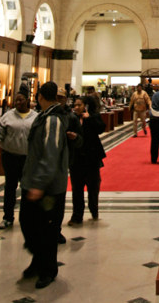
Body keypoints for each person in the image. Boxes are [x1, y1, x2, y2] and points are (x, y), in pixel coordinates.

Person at [20, 81, 69, 290]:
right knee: (28, 224)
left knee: (46, 229)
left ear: (41, 97)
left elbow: (51, 153)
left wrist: (40, 183)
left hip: (48, 187)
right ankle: (38, 260)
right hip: (33, 181)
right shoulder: (43, 117)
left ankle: (48, 269)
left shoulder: (53, 121)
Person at [0, 86, 37, 229]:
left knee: (26, 188)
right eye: (16, 100)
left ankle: (26, 217)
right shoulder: (8, 116)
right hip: (10, 157)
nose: (18, 103)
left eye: (21, 100)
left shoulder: (35, 117)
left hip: (27, 159)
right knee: (10, 187)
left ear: (27, 100)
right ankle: (8, 217)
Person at [68, 95, 107, 224]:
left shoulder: (93, 116)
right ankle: (77, 215)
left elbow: (101, 128)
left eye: (79, 105)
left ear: (86, 106)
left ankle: (93, 209)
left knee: (93, 187)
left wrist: (89, 119)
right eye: (75, 105)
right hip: (77, 158)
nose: (76, 107)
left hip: (91, 157)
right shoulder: (72, 119)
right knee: (77, 188)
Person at [56, 86, 83, 243]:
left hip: (70, 157)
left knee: (70, 190)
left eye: (61, 98)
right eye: (56, 98)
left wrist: (75, 137)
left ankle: (75, 216)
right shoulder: (45, 116)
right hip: (52, 160)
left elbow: (81, 139)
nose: (59, 101)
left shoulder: (71, 117)